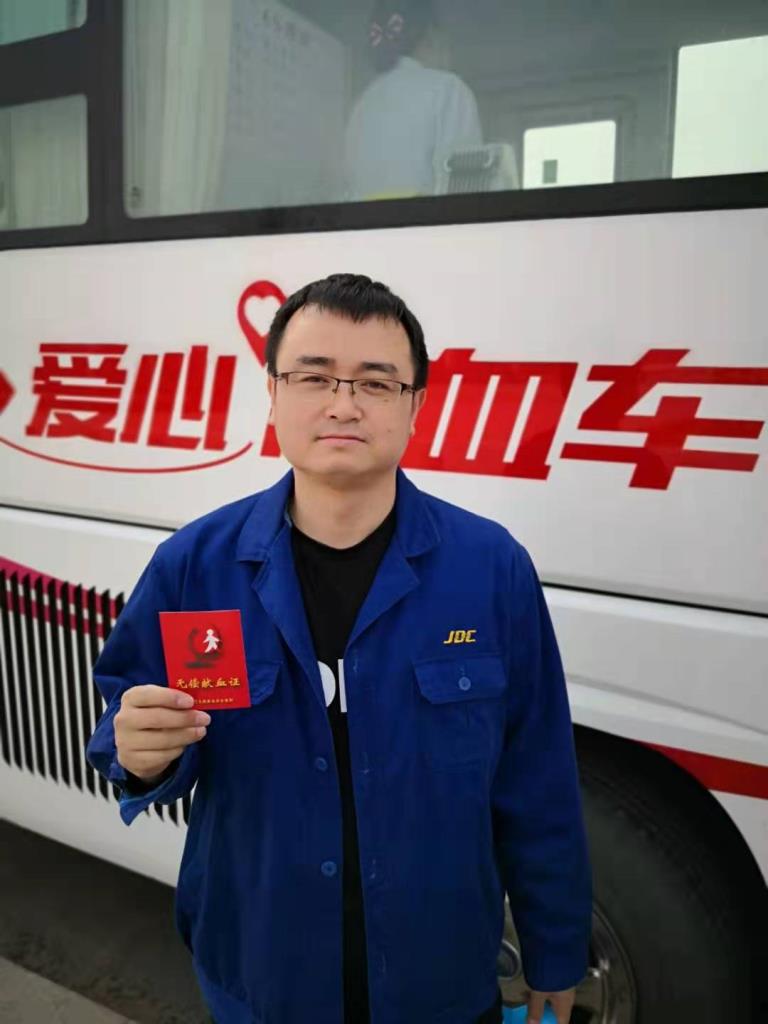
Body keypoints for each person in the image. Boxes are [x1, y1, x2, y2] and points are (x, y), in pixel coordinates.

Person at [86, 273, 592, 1024]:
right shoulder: (195, 565)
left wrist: (555, 948)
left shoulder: (491, 569)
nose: (343, 404)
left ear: (416, 405)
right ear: (273, 393)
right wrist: (138, 754)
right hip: (262, 973)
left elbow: (538, 777)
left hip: (441, 979)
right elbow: (125, 726)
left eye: (376, 383)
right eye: (314, 377)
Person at [344, 1, 483, 200]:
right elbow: (464, 189)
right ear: (431, 36)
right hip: (429, 220)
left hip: (366, 220)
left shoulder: (361, 105)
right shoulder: (448, 89)